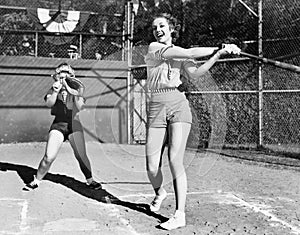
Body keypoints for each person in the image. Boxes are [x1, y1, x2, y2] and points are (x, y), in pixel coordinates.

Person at [144, 13, 240, 230]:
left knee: (174, 159)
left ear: (171, 29)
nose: (157, 30)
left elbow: (195, 73)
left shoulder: (179, 54)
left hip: (178, 105)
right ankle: (160, 192)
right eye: (154, 27)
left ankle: (179, 214)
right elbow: (188, 52)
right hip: (156, 107)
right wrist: (219, 48)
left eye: (161, 26)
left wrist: (218, 55)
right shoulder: (154, 48)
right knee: (151, 167)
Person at [23, 63, 102, 191]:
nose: (63, 79)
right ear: (56, 76)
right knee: (49, 156)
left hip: (74, 125)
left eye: (66, 76)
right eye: (60, 76)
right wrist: (55, 91)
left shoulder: (77, 90)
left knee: (81, 155)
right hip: (59, 124)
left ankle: (90, 180)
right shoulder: (53, 89)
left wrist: (71, 90)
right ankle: (36, 180)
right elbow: (49, 103)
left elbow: (80, 106)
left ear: (71, 77)